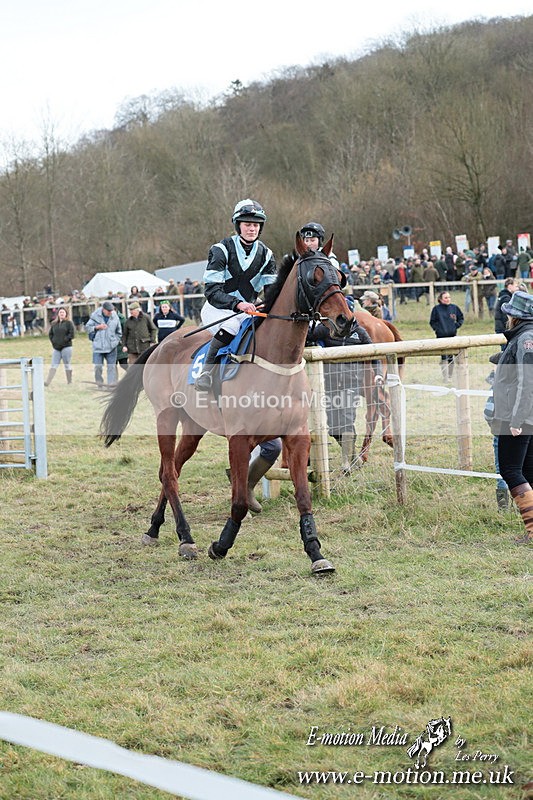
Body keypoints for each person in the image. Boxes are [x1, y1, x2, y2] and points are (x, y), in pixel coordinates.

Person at [194, 199, 277, 391]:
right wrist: (239, 304)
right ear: (238, 225)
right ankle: (206, 372)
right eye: (247, 224)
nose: (252, 229)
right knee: (232, 325)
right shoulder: (220, 250)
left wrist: (268, 304)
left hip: (247, 310)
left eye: (256, 225)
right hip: (217, 309)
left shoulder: (267, 254)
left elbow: (271, 291)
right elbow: (212, 291)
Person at [306, 295, 383, 473]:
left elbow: (374, 355)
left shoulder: (361, 333)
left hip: (351, 383)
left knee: (347, 421)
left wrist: (378, 375)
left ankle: (345, 463)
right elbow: (307, 336)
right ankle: (354, 457)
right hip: (330, 383)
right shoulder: (325, 330)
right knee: (333, 426)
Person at [491, 290, 533, 544]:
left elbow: (527, 382)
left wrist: (516, 419)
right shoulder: (524, 337)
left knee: (510, 470)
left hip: (517, 415)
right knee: (528, 469)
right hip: (525, 413)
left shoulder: (525, 339)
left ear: (515, 317)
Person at [85, 301, 122, 388]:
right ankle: (99, 383)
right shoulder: (95, 316)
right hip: (98, 347)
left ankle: (110, 385)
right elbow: (87, 328)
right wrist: (97, 327)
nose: (110, 313)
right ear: (103, 310)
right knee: (98, 367)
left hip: (111, 347)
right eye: (108, 311)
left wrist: (115, 341)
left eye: (111, 311)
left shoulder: (115, 317)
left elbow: (119, 332)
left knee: (111, 367)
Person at [429, 291, 464, 383]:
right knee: (444, 357)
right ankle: (445, 377)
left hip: (452, 336)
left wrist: (456, 326)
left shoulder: (454, 308)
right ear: (440, 299)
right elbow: (432, 322)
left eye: (449, 297)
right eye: (446, 298)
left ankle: (450, 376)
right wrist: (438, 329)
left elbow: (461, 318)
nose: (448, 299)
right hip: (441, 337)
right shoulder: (436, 309)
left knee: (451, 357)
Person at [45, 306, 75, 386]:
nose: (62, 314)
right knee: (54, 364)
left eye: (63, 312)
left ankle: (69, 381)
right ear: (58, 314)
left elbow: (72, 334)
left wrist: (65, 340)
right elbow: (50, 334)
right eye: (60, 312)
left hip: (66, 347)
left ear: (66, 314)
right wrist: (54, 342)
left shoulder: (69, 323)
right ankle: (48, 382)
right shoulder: (54, 324)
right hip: (56, 348)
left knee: (67, 364)